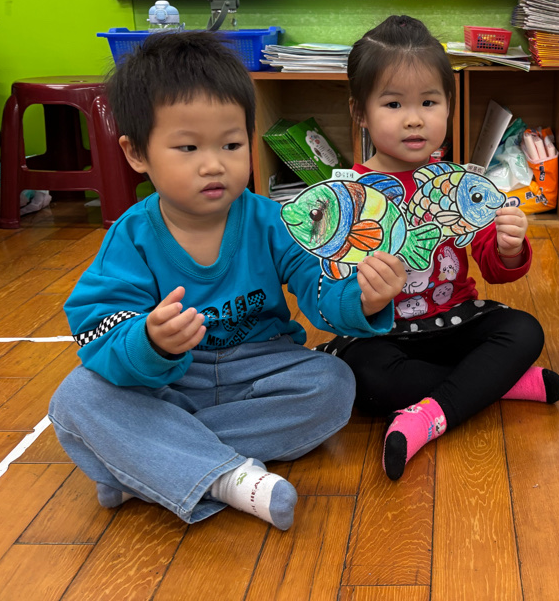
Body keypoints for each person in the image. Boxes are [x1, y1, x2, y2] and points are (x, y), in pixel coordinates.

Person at [48, 31, 404, 530]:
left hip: (262, 371)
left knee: (332, 385)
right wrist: (150, 340)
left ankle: (146, 462)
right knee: (76, 397)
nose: (214, 163)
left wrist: (362, 297)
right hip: (172, 380)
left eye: (232, 144)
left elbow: (318, 283)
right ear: (136, 153)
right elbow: (95, 326)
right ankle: (226, 477)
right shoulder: (131, 236)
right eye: (188, 147)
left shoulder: (273, 220)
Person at [318, 14, 559, 481]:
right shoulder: (347, 197)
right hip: (384, 336)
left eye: (429, 102)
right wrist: (367, 297)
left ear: (449, 105)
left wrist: (509, 247)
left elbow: (495, 266)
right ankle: (494, 384)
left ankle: (427, 414)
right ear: (360, 112)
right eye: (393, 104)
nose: (414, 118)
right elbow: (330, 291)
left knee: (524, 330)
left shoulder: (461, 184)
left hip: (454, 323)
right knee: (364, 376)